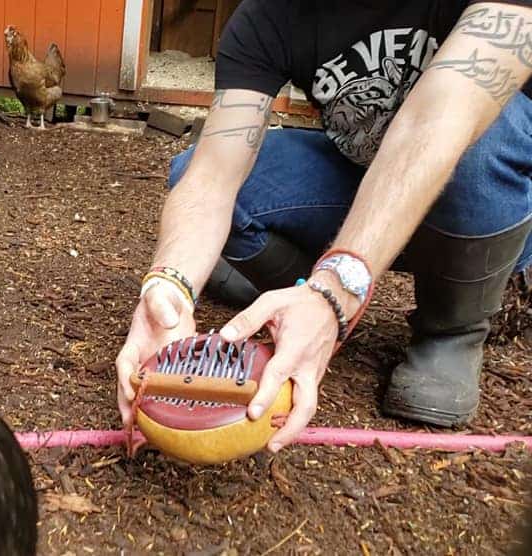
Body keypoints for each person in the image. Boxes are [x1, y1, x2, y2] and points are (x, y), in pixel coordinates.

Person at [115, 0, 532, 453]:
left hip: (484, 198)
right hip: (366, 177)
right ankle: (298, 303)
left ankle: (452, 331)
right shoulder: (264, 17)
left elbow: (438, 120)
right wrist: (170, 284)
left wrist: (338, 286)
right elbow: (213, 176)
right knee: (193, 169)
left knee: (478, 142)